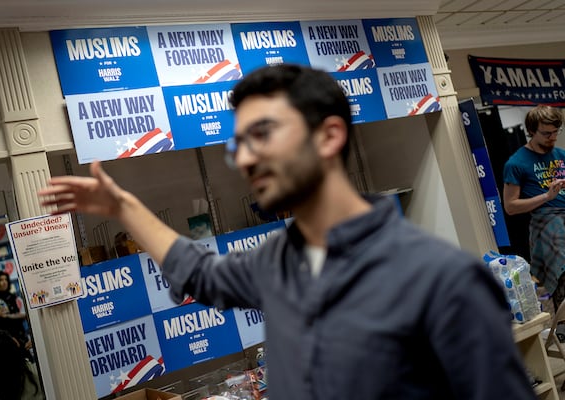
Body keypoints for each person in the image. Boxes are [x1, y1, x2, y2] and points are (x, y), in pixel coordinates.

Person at [39, 64, 535, 399]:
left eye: (263, 134)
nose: (245, 158)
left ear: (329, 135)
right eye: (239, 143)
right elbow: (198, 274)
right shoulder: (276, 262)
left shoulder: (443, 280)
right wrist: (123, 207)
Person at [503, 105, 565, 310]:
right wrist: (547, 196)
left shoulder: (561, 155)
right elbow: (510, 206)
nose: (553, 137)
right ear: (531, 131)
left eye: (556, 131)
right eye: (546, 133)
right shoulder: (516, 163)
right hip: (547, 222)